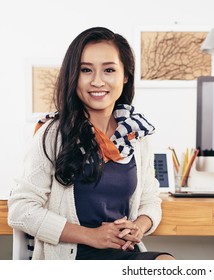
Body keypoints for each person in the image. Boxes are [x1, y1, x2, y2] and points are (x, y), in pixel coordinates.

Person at [8, 27, 174, 260]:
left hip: (123, 254)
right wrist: (91, 236)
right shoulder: (53, 134)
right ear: (73, 76)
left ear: (125, 76)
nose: (97, 81)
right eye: (86, 70)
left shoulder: (136, 136)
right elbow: (21, 210)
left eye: (109, 70)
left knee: (167, 264)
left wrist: (139, 227)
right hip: (71, 257)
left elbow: (150, 201)